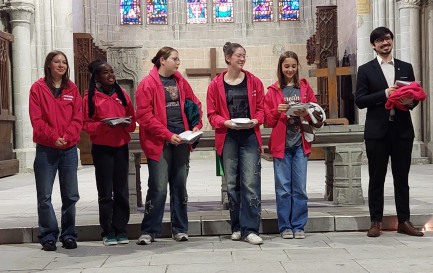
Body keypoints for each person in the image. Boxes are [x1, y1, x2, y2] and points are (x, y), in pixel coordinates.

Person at [355, 26, 423, 237]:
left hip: (402, 130)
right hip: (377, 132)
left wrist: (409, 102)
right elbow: (360, 101)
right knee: (377, 178)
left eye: (387, 39)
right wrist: (384, 93)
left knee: (402, 178)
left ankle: (404, 221)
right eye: (380, 40)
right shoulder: (366, 70)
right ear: (373, 45)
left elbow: (414, 98)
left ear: (392, 41)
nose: (385, 43)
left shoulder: (405, 67)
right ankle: (376, 222)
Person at [136, 47, 203, 245]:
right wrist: (167, 134)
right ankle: (149, 230)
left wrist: (196, 125)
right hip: (159, 142)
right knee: (158, 187)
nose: (178, 62)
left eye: (178, 59)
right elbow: (144, 116)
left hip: (181, 140)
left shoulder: (180, 82)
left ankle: (180, 229)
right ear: (162, 60)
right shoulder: (147, 84)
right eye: (175, 59)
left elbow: (194, 104)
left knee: (180, 186)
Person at [207, 42, 265, 245]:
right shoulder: (215, 85)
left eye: (244, 55)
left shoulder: (254, 81)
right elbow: (211, 115)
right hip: (228, 136)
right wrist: (225, 122)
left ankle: (250, 229)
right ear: (228, 58)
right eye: (239, 55)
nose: (242, 59)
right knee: (232, 185)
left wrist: (256, 120)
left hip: (249, 136)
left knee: (250, 183)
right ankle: (237, 226)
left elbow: (261, 109)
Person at [29, 51, 83, 251]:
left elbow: (78, 117)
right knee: (44, 196)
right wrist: (54, 137)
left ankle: (68, 234)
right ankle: (48, 235)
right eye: (57, 61)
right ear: (49, 65)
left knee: (70, 195)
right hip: (46, 149)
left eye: (64, 62)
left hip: (68, 149)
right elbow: (37, 119)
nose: (61, 65)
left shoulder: (72, 89)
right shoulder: (38, 88)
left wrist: (67, 137)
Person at [264, 51, 318, 239]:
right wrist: (278, 112)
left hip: (300, 143)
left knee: (300, 188)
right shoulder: (272, 91)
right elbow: (267, 121)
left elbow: (316, 111)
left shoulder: (304, 87)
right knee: (284, 188)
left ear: (297, 67)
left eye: (293, 66)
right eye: (286, 66)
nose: (290, 69)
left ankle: (299, 226)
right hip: (281, 145)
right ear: (281, 68)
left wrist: (306, 113)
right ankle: (285, 226)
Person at [82, 60, 136, 246]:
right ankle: (108, 231)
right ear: (97, 77)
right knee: (105, 191)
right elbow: (87, 125)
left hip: (120, 145)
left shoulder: (122, 95)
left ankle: (121, 229)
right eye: (106, 72)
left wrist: (125, 123)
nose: (111, 75)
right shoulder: (90, 97)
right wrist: (104, 125)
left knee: (121, 190)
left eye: (112, 71)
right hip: (102, 148)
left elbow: (133, 123)